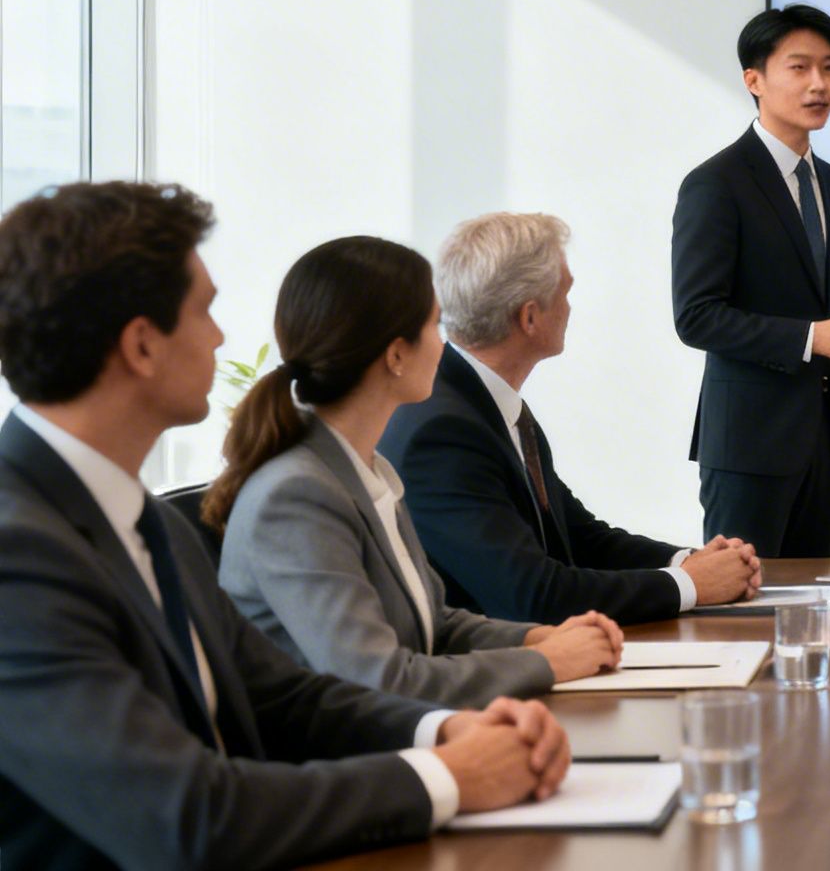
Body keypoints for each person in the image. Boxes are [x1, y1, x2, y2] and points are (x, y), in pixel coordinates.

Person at [0, 182, 569, 869]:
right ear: (142, 345)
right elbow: (188, 815)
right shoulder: (18, 555)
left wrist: (448, 729)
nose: (219, 336)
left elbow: (286, 698)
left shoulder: (142, 520)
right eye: (203, 311)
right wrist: (447, 777)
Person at [208, 236, 624, 705]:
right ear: (396, 355)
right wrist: (547, 662)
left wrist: (536, 638)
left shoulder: (369, 468)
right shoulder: (296, 494)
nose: (444, 345)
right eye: (434, 326)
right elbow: (380, 679)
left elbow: (433, 624)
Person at [383, 213, 759, 625]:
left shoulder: (486, 404)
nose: (570, 307)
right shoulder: (443, 433)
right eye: (565, 292)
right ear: (529, 318)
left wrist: (690, 561)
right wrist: (691, 584)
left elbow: (580, 539)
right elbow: (533, 594)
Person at [670, 4, 830, 556]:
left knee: (817, 597)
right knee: (743, 597)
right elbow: (696, 316)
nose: (820, 84)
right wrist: (814, 338)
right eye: (800, 67)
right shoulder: (715, 183)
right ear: (754, 80)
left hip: (826, 442)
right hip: (749, 446)